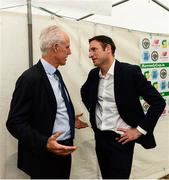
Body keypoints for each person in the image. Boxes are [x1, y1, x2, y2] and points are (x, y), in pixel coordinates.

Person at [6, 25, 88, 179]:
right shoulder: (30, 78)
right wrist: (44, 142)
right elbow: (14, 123)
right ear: (56, 47)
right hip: (43, 156)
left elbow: (49, 107)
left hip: (64, 150)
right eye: (67, 47)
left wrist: (69, 119)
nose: (70, 52)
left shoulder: (56, 74)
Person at [81, 35, 166, 179]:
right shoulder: (94, 74)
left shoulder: (130, 72)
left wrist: (139, 130)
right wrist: (94, 113)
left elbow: (158, 102)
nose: (90, 54)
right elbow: (85, 93)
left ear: (108, 48)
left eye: (94, 49)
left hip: (121, 140)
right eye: (89, 50)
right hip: (101, 139)